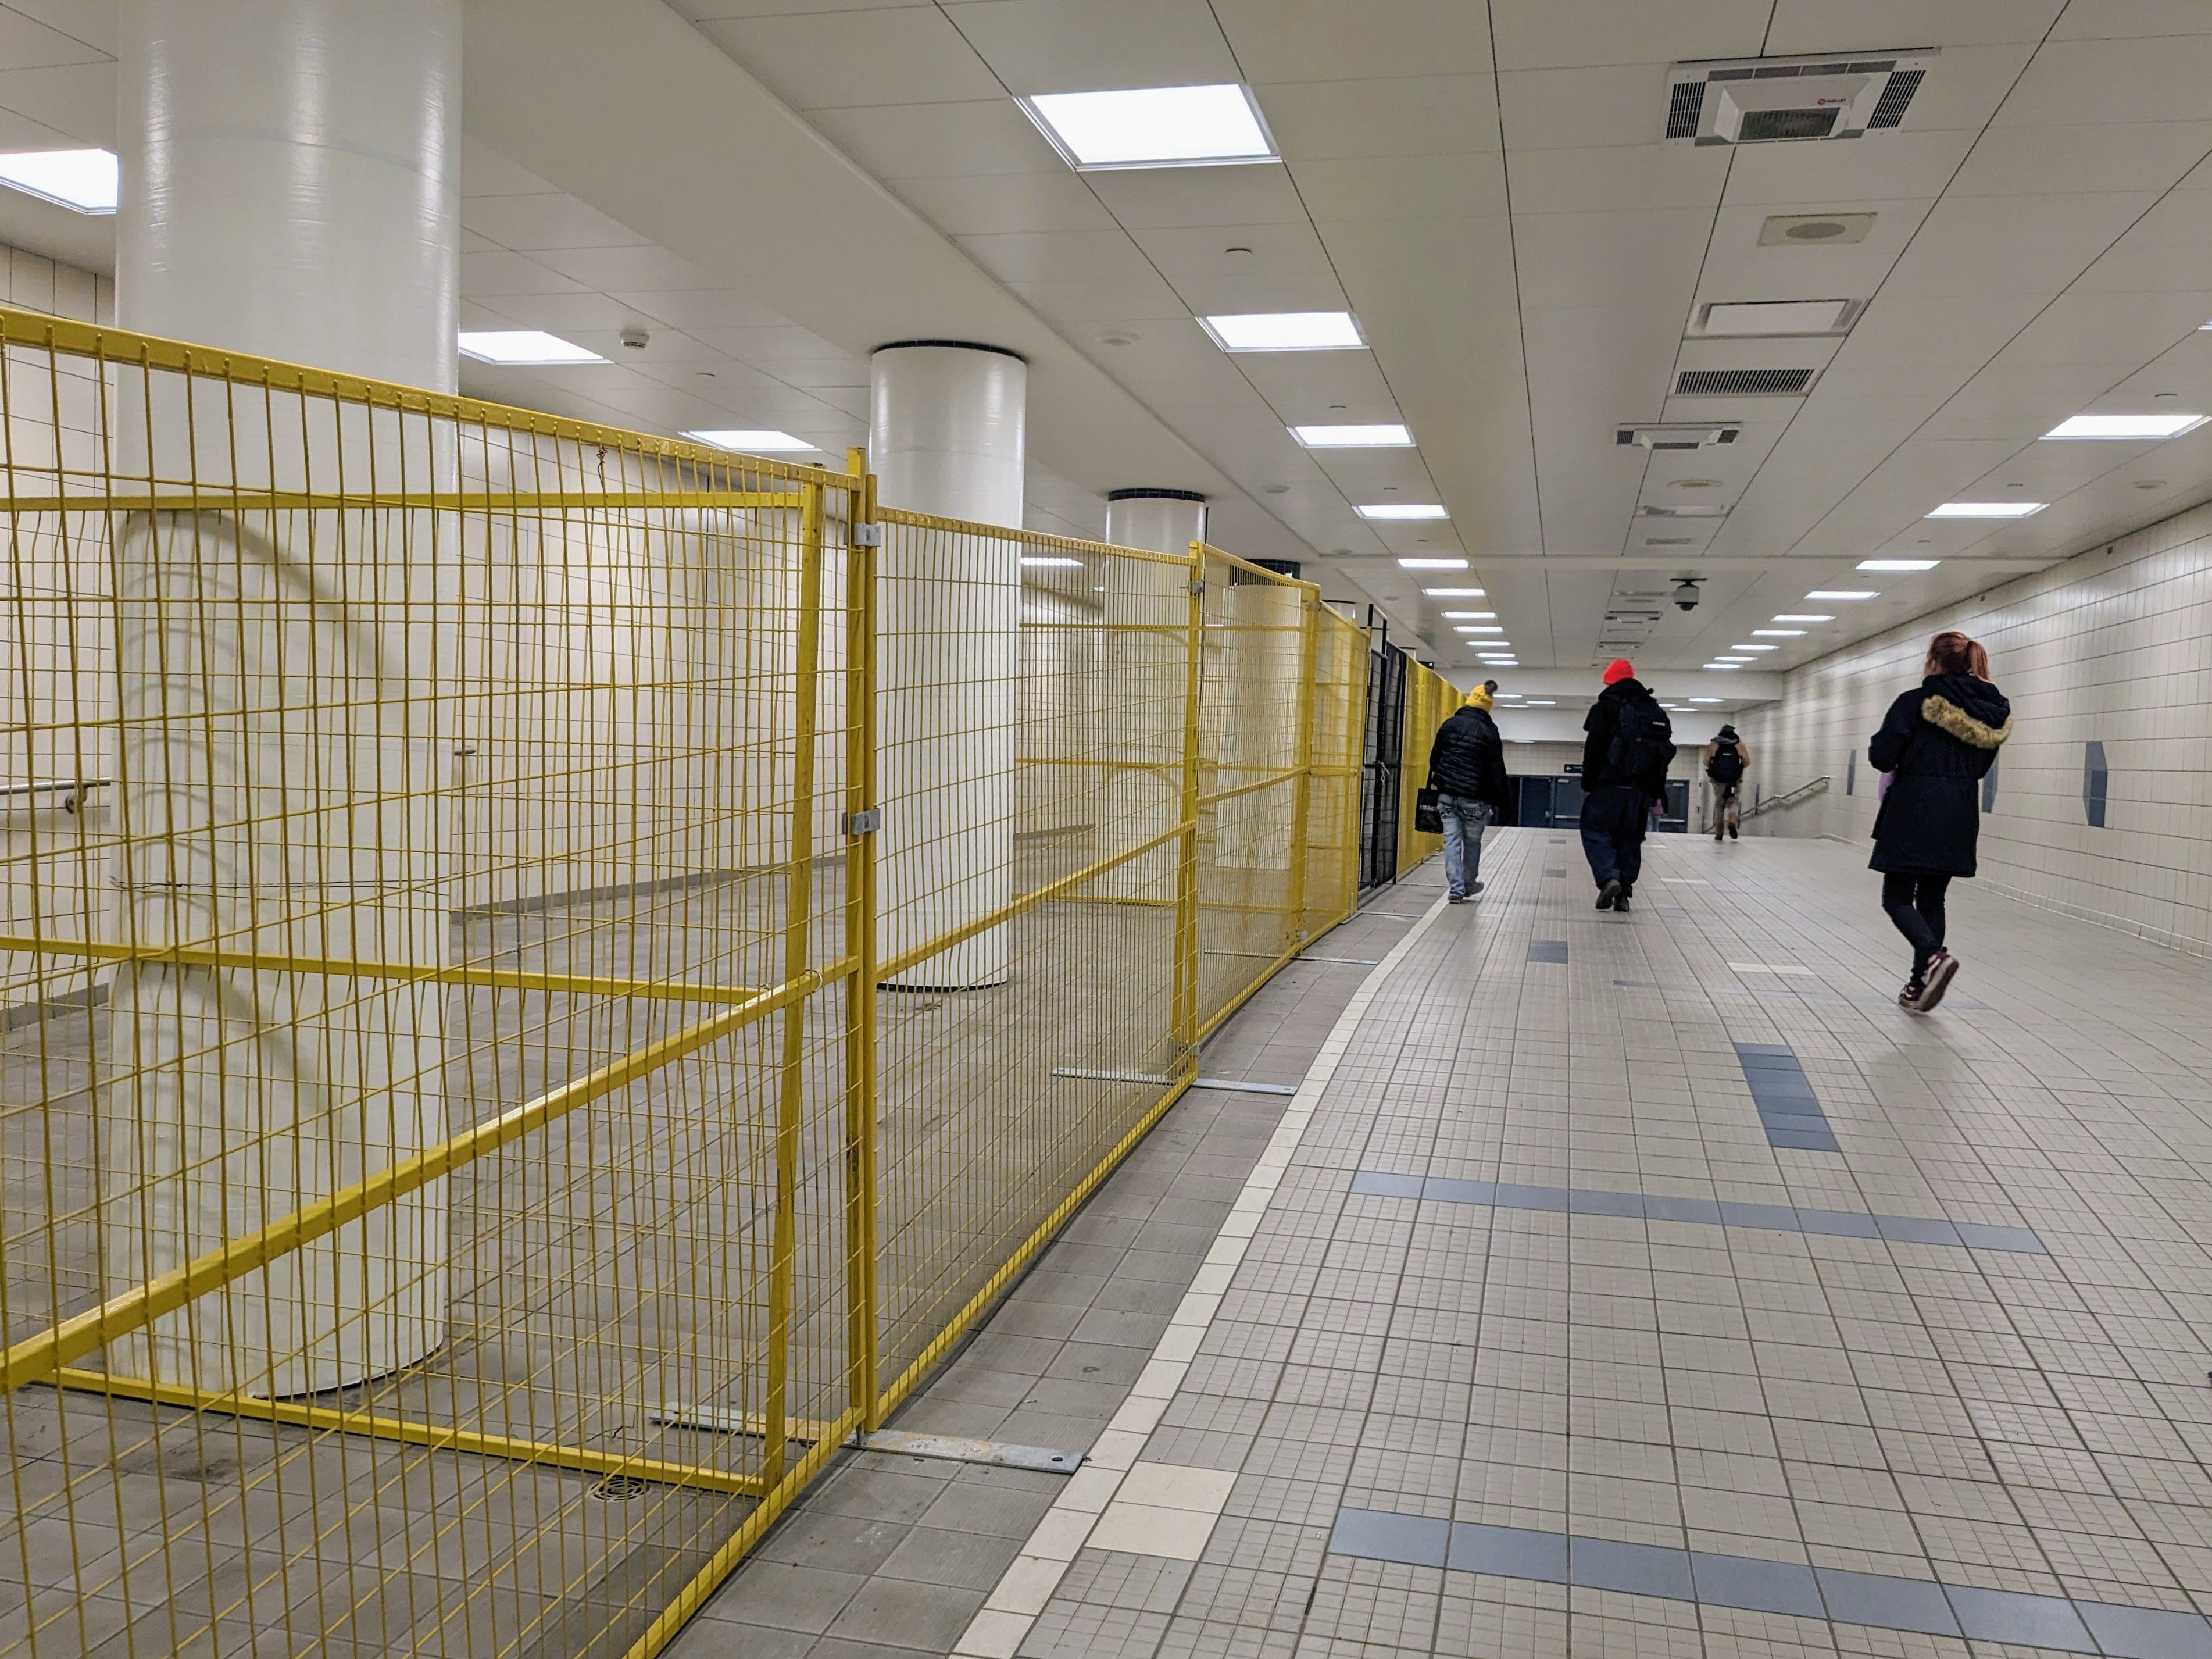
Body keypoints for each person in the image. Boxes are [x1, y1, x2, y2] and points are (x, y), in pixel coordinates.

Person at [1868, 630, 2010, 1011]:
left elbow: (1882, 757)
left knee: (1896, 897)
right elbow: (1980, 766)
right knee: (1932, 896)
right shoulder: (1993, 710)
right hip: (1960, 807)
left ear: (1932, 661)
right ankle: (1917, 986)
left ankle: (1933, 957)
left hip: (1914, 803)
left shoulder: (1915, 702)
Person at [1580, 659, 1674, 913]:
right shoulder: (1653, 710)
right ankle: (1624, 894)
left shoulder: (1606, 706)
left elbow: (1595, 747)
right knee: (1630, 838)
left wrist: (1588, 781)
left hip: (1609, 785)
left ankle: (1609, 877)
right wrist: (1657, 791)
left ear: (1611, 681)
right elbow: (1661, 757)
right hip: (1640, 788)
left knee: (1595, 830)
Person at [1425, 684, 1514, 903]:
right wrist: (1504, 802)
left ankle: (1456, 889)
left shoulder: (1449, 725)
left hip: (1446, 796)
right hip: (1475, 800)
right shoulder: (1489, 730)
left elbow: (1434, 759)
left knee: (1452, 842)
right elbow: (1496, 770)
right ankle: (1469, 883)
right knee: (1472, 843)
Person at [1704, 725, 1749, 840]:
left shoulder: (1713, 745)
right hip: (1734, 780)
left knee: (1719, 804)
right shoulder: (1740, 745)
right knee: (1733, 803)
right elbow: (1747, 762)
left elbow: (1706, 761)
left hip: (1718, 781)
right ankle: (1732, 822)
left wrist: (1716, 768)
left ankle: (1719, 833)